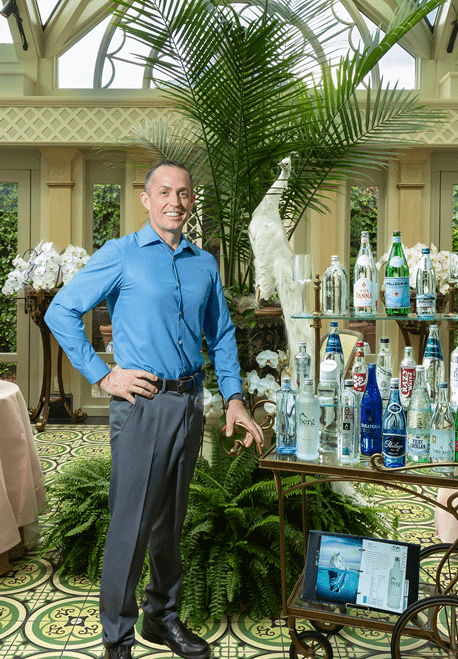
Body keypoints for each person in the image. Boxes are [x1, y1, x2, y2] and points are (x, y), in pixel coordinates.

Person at [45, 160, 264, 659]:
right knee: (131, 525)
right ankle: (116, 640)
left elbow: (223, 335)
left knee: (171, 521)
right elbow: (61, 310)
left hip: (190, 403)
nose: (175, 201)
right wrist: (103, 375)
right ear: (146, 199)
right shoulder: (120, 255)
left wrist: (232, 398)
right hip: (142, 406)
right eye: (164, 192)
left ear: (192, 201)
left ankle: (160, 618)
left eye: (183, 193)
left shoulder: (203, 263)